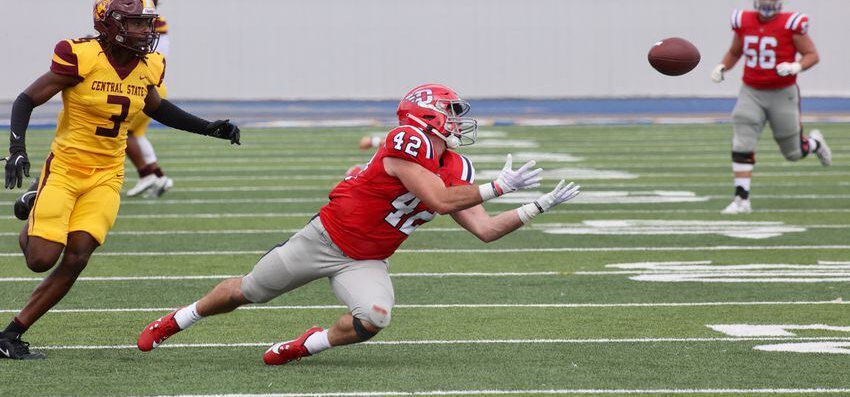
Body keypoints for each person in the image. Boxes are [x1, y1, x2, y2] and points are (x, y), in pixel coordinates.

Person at [137, 84, 580, 365]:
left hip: (367, 258)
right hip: (324, 239)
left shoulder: (458, 167)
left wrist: (536, 207)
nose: (458, 122)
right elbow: (438, 201)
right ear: (427, 116)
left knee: (375, 318)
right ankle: (177, 320)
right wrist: (498, 187)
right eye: (451, 112)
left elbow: (484, 229)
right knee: (247, 291)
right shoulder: (404, 141)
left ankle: (304, 345)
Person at [0, 0, 241, 360]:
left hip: (107, 173)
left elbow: (158, 108)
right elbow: (27, 98)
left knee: (78, 255)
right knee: (40, 260)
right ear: (109, 24)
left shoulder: (149, 66)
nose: (146, 32)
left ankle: (11, 334)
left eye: (146, 24)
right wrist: (16, 149)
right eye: (136, 24)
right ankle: (35, 202)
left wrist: (209, 127)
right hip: (65, 167)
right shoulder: (79, 55)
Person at [710, 0, 830, 215]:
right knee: (742, 136)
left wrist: (796, 66)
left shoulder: (791, 24)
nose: (766, 1)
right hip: (751, 90)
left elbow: (812, 55)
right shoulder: (743, 21)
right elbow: (735, 51)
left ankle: (814, 144)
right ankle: (741, 200)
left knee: (793, 152)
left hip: (782, 92)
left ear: (779, 0)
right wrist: (723, 66)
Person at [125, 0, 173, 197]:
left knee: (121, 129)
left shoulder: (150, 23)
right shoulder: (156, 21)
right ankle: (160, 176)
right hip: (153, 83)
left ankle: (146, 174)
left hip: (145, 83)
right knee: (137, 134)